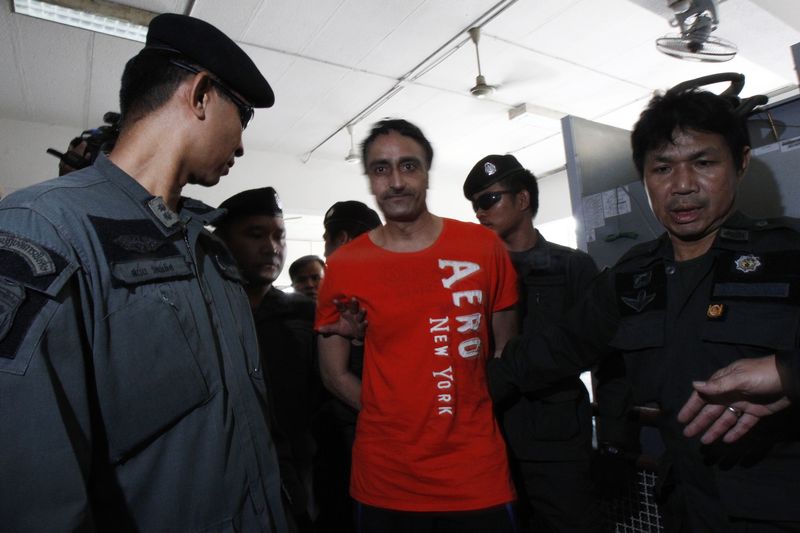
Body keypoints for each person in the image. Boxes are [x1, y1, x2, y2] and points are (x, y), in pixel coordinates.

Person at [0, 14, 288, 532]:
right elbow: (33, 490)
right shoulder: (44, 228)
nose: (242, 145)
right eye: (241, 117)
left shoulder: (212, 250)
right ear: (200, 94)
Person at [490, 88, 800, 531]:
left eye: (704, 162)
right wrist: (438, 395)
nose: (682, 185)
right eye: (662, 168)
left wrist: (789, 371)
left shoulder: (789, 254)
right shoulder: (631, 277)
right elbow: (551, 351)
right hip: (686, 507)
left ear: (741, 162)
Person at [315, 119, 519, 533]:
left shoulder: (483, 248)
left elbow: (505, 351)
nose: (395, 182)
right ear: (370, 180)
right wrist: (390, 413)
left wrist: (463, 409)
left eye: (408, 166)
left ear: (426, 172)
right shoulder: (343, 266)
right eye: (381, 169)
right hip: (387, 477)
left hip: (476, 474)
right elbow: (333, 373)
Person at [463, 154, 617, 533]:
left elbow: (605, 356)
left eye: (489, 200)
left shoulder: (572, 267)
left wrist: (616, 442)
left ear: (522, 199)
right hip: (489, 438)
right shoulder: (469, 276)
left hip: (557, 445)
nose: (481, 212)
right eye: (475, 205)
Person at [215, 187, 319, 529]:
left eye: (280, 236)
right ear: (223, 242)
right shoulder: (204, 313)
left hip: (298, 485)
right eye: (255, 235)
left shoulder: (306, 315)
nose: (272, 247)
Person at [314, 200, 381, 533]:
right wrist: (393, 420)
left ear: (339, 239)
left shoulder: (373, 284)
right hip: (357, 430)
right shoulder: (339, 288)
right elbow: (335, 377)